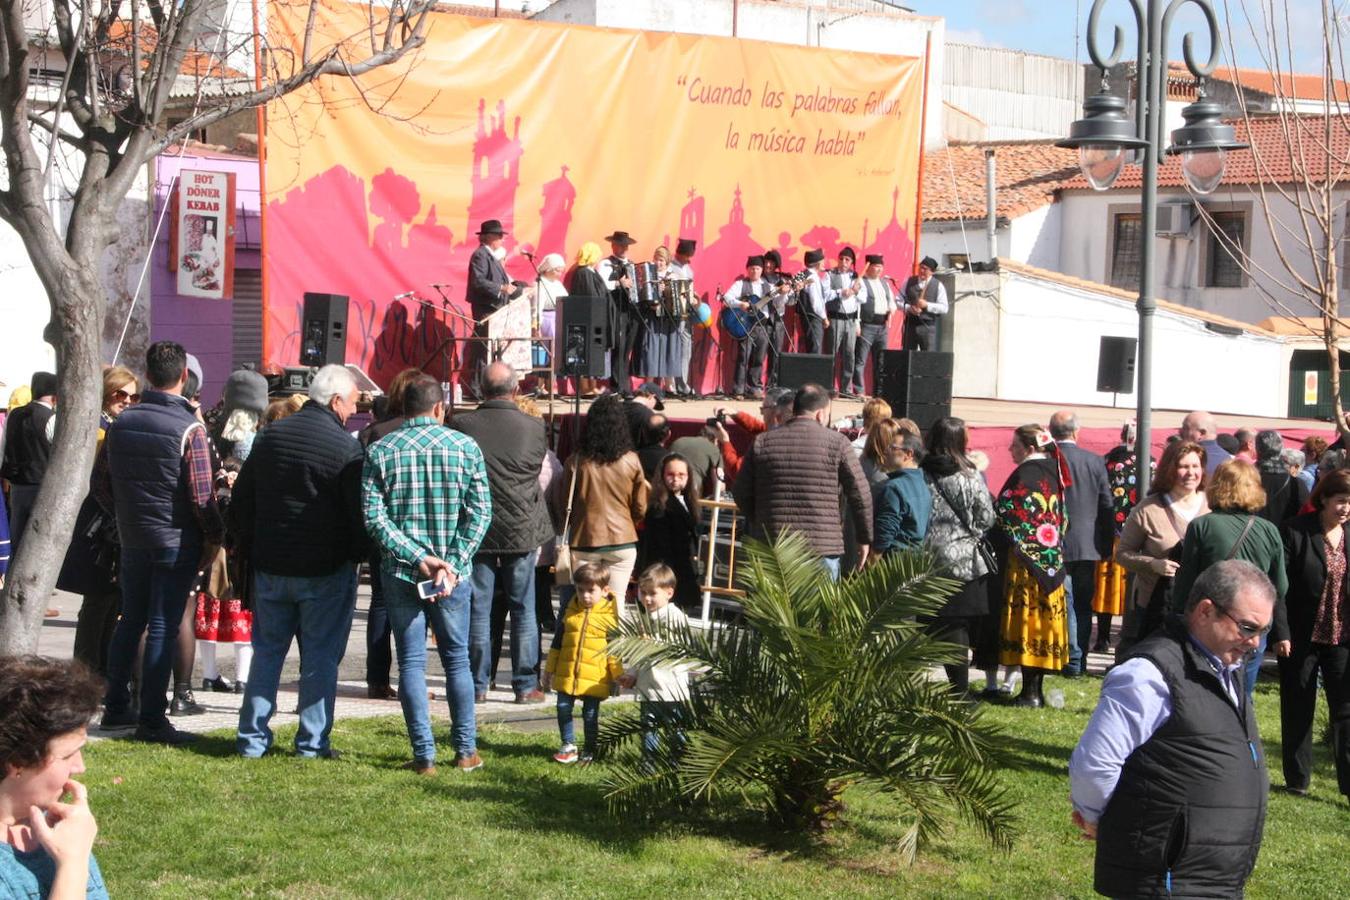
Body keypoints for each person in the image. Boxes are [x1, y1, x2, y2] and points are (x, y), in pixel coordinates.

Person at [1069, 559, 1274, 898]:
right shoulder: (1149, 674)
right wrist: (1096, 817)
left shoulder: (1226, 667)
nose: (1254, 643)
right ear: (1206, 611)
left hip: (1211, 878)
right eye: (1248, 628)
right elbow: (1096, 762)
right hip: (1166, 880)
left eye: (1262, 632)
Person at [229, 364, 366, 759]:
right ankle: (311, 742)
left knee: (267, 653)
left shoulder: (269, 437)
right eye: (353, 403)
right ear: (336, 400)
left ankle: (252, 739)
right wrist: (357, 554)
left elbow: (243, 503)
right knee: (320, 658)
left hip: (272, 564)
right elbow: (355, 515)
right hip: (324, 569)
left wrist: (254, 544)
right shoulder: (345, 448)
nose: (353, 412)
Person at [363, 374, 492, 775]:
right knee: (456, 660)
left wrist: (418, 557)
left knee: (412, 663)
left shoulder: (382, 450)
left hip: (402, 571)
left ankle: (424, 756)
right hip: (453, 575)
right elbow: (481, 512)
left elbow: (373, 517)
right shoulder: (465, 447)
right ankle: (466, 750)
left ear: (403, 407)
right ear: (440, 408)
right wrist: (452, 561)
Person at [100, 341, 222, 744]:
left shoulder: (122, 423)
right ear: (184, 376)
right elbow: (202, 496)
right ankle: (151, 716)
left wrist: (124, 513)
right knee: (163, 625)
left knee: (131, 619)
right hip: (175, 538)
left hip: (136, 535)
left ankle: (117, 706)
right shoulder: (190, 428)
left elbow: (100, 482)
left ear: (148, 375)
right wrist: (215, 537)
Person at [450, 361, 553, 705]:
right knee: (524, 607)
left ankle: (477, 684)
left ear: (480, 388)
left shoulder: (461, 424)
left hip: (476, 525)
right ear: (515, 388)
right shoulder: (534, 427)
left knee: (479, 606)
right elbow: (534, 467)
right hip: (521, 526)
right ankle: (524, 684)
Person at [1172, 460, 1288, 699]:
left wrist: (1178, 617)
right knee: (1243, 691)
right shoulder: (1269, 530)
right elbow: (1282, 586)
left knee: (1204, 689)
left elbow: (1187, 582)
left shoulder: (1202, 525)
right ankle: (1243, 734)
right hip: (1253, 625)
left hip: (1213, 619)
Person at [734, 383, 872, 580]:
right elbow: (860, 493)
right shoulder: (838, 443)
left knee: (773, 610)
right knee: (818, 610)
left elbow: (740, 491)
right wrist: (864, 538)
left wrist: (763, 520)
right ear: (820, 414)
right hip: (821, 547)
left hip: (773, 545)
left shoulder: (762, 442)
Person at [0, 656, 108, 899]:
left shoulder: (63, 830)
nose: (80, 767)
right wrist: (72, 863)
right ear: (17, 762)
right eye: (68, 755)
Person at [1276, 467, 1350, 801]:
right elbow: (1279, 587)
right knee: (1297, 705)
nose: (1345, 508)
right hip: (1301, 635)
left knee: (1345, 711)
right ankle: (1297, 780)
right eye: (1340, 501)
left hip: (1341, 638)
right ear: (1322, 499)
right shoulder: (1295, 531)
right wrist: (1281, 632)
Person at [61, 366, 138, 676]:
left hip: (113, 524)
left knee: (111, 603)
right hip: (98, 524)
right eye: (122, 394)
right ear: (108, 393)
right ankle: (87, 673)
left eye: (134, 396)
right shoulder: (98, 428)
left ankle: (101, 671)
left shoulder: (117, 425)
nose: (128, 401)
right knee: (97, 602)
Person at [992, 425, 1070, 707]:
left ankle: (1030, 693)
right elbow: (1064, 520)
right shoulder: (1055, 473)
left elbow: (1004, 513)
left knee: (1028, 622)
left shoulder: (1024, 474)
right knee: (1042, 624)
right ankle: (1034, 689)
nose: (1011, 450)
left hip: (1026, 565)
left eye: (1015, 445)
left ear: (1030, 448)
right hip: (1052, 561)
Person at [357, 368, 423, 700]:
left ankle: (377, 679)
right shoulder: (435, 432)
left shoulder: (373, 434)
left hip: (381, 529)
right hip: (423, 531)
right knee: (421, 606)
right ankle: (415, 678)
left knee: (381, 604)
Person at [921, 416, 996, 695]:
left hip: (926, 557)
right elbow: (986, 516)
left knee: (931, 621)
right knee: (958, 625)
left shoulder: (921, 472)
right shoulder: (970, 475)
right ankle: (959, 689)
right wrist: (971, 532)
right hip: (963, 559)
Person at [553, 394, 648, 611]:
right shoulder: (631, 460)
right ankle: (616, 645)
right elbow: (640, 506)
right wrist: (629, 520)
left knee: (583, 605)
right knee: (616, 603)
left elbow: (564, 503)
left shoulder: (576, 461)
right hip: (623, 540)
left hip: (585, 539)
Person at [1114, 440, 1210, 657]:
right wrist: (1153, 564)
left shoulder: (1212, 506)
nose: (1191, 473)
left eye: (1195, 466)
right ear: (1169, 469)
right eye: (1183, 466)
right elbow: (1122, 554)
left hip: (1202, 603)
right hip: (1155, 604)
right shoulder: (1148, 509)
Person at [1049, 411, 1114, 677]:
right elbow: (1107, 505)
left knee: (1064, 603)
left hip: (1054, 543)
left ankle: (1071, 658)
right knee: (1083, 606)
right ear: (1077, 432)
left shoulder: (1048, 460)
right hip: (1088, 545)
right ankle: (1079, 659)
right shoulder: (1095, 462)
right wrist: (1107, 544)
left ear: (1051, 431)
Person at [541, 561, 625, 764]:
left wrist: (617, 675)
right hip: (567, 672)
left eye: (591, 590)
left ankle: (589, 748)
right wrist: (549, 670)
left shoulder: (609, 619)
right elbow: (557, 643)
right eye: (580, 590)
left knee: (590, 715)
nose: (585, 595)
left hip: (594, 677)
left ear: (605, 591)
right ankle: (568, 744)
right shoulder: (570, 611)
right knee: (562, 707)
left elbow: (614, 651)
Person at [618, 563, 693, 761]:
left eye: (652, 593)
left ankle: (678, 760)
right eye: (643, 593)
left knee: (675, 728)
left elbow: (679, 648)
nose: (647, 598)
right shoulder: (644, 619)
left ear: (669, 592)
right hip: (648, 688)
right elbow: (639, 653)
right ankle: (649, 761)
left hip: (671, 688)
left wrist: (652, 642)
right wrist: (632, 674)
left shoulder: (676, 617)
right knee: (648, 727)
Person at [1093, 422, 1154, 652]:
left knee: (1107, 586)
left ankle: (1103, 637)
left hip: (1111, 532)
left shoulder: (1107, 462)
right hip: (1140, 534)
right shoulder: (1151, 463)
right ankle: (1131, 635)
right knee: (1134, 586)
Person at [194, 457, 251, 695]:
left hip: (209, 569)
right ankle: (242, 679)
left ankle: (209, 675)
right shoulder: (239, 501)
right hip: (236, 570)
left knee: (208, 621)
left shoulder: (209, 499)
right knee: (244, 624)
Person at [1, 370, 57, 559]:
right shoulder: (52, 418)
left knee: (16, 535)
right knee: (36, 539)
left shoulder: (14, 414)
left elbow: (3, 447)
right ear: (54, 396)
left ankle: (10, 576)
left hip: (16, 484)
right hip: (42, 486)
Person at [463, 219, 521, 403]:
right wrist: (501, 288)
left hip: (496, 310)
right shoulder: (480, 255)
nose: (501, 240)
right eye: (498, 236)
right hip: (486, 310)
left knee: (492, 350)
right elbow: (478, 282)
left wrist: (514, 289)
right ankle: (477, 389)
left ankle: (490, 389)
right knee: (483, 348)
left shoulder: (492, 257)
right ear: (488, 237)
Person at [636, 453, 702, 613]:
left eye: (681, 475)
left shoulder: (688, 501)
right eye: (670, 474)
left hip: (684, 570)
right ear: (662, 476)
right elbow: (658, 546)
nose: (675, 479)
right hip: (667, 573)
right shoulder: (658, 506)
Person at [721, 255, 774, 399]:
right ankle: (738, 389)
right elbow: (726, 298)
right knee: (743, 357)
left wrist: (785, 292)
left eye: (757, 269)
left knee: (759, 358)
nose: (754, 271)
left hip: (762, 326)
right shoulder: (740, 284)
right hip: (746, 325)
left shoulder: (768, 286)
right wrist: (740, 304)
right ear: (747, 269)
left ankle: (755, 388)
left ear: (762, 270)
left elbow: (781, 303)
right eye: (751, 268)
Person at [564, 241, 610, 398]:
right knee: (582, 352)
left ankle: (593, 385)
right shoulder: (583, 273)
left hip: (595, 318)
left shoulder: (592, 272)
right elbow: (590, 294)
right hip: (586, 319)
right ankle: (584, 387)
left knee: (592, 353)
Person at [873, 431, 929, 555]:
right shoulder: (924, 485)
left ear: (908, 454)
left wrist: (869, 569)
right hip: (914, 563)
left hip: (892, 563)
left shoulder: (894, 487)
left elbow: (883, 537)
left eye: (892, 448)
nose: (886, 451)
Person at [599, 230, 640, 396]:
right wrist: (619, 283)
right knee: (618, 347)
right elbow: (603, 285)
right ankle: (618, 386)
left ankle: (625, 385)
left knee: (627, 349)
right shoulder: (605, 264)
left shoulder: (631, 264)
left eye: (625, 245)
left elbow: (637, 285)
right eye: (620, 244)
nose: (623, 248)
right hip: (615, 309)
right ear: (613, 245)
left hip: (631, 310)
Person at [848, 254, 896, 397]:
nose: (879, 269)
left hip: (882, 326)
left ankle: (879, 391)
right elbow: (856, 305)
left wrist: (891, 310)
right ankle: (859, 390)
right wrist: (857, 324)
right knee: (861, 360)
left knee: (881, 360)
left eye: (881, 267)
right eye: (876, 266)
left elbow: (891, 301)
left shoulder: (885, 283)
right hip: (867, 325)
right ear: (868, 267)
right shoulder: (861, 282)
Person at [635, 246, 682, 390]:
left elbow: (678, 297)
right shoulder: (649, 275)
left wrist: (666, 290)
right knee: (651, 349)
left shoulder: (673, 276)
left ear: (667, 261)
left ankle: (668, 385)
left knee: (669, 349)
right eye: (656, 259)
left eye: (661, 260)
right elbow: (642, 294)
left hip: (668, 318)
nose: (658, 263)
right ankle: (649, 384)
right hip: (652, 317)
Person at [826, 246, 862, 396]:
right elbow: (826, 295)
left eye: (847, 259)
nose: (843, 262)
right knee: (832, 354)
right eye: (841, 259)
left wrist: (856, 291)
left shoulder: (856, 277)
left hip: (851, 321)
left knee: (849, 355)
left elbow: (863, 299)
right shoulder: (830, 274)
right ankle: (829, 387)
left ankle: (846, 389)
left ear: (851, 262)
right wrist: (841, 292)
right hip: (835, 318)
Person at [1255, 429, 1308, 527]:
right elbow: (1305, 515)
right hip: (1284, 537)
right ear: (1281, 449)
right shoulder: (1296, 484)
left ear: (1257, 449)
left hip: (1253, 536)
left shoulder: (1245, 480)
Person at [901, 257, 948, 351]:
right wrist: (909, 308)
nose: (922, 271)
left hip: (927, 326)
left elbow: (944, 308)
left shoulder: (938, 285)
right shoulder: (909, 282)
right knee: (907, 355)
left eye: (925, 269)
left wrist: (927, 305)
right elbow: (898, 301)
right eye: (921, 267)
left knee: (927, 356)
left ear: (931, 271)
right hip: (910, 325)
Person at [671, 238, 698, 398]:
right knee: (676, 349)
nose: (689, 259)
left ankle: (683, 383)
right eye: (687, 255)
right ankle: (674, 384)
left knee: (685, 349)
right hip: (675, 314)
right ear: (680, 254)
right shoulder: (671, 268)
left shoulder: (688, 269)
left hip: (687, 313)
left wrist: (694, 298)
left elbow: (690, 288)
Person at [797, 249, 833, 354]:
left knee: (811, 347)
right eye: (822, 261)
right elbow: (816, 302)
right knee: (815, 350)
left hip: (807, 317)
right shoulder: (813, 277)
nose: (824, 263)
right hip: (814, 318)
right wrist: (824, 317)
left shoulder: (803, 274)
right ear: (817, 263)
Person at [1179, 410, 1232, 476]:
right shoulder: (1228, 459)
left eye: (1186, 428)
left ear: (1201, 433)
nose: (1180, 432)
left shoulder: (1187, 458)